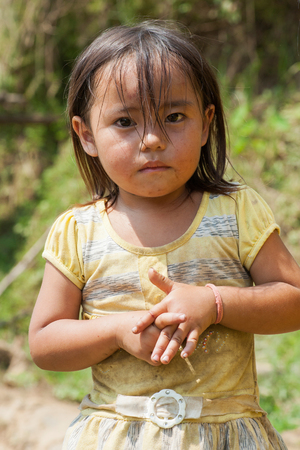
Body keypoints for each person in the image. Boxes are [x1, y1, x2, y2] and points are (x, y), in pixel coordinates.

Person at [29, 20, 300, 449]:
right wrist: (117, 330)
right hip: (115, 436)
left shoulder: (235, 213)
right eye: (124, 122)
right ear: (86, 135)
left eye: (174, 117)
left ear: (206, 121)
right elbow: (45, 342)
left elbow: (294, 299)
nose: (152, 139)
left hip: (226, 435)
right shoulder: (78, 231)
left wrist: (215, 303)